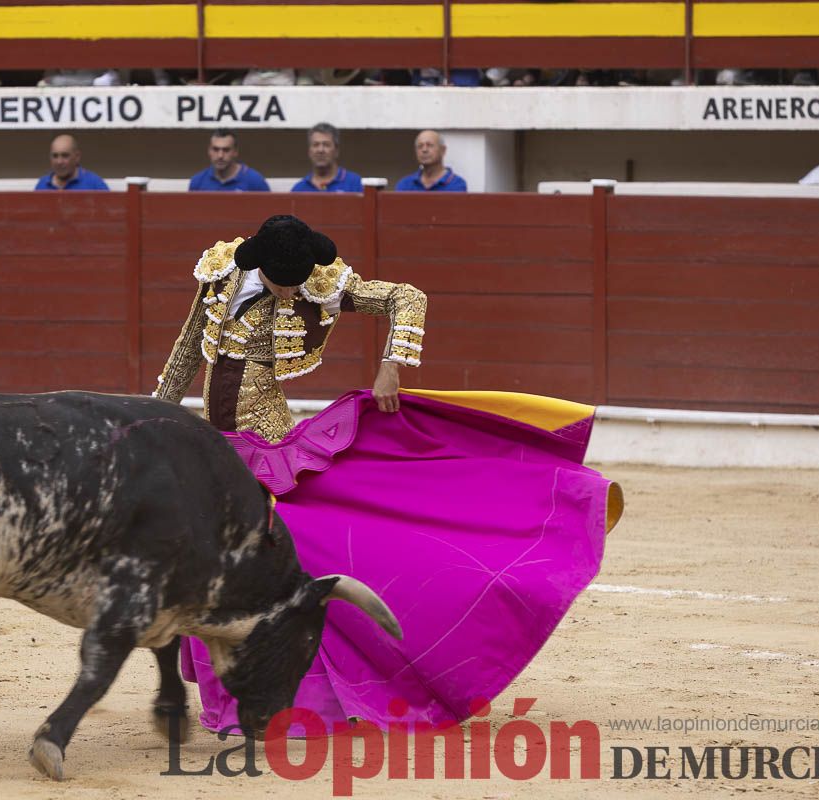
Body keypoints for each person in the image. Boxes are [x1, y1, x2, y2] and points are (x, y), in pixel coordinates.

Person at [154, 214, 621, 735]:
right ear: (258, 263)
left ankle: (287, 697)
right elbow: (185, 353)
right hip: (221, 445)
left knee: (265, 565)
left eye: (296, 282)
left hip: (266, 441)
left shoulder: (316, 281)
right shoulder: (221, 272)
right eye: (280, 281)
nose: (290, 291)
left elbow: (407, 296)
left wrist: (391, 364)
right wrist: (154, 416)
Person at [188, 129, 270, 192]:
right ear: (209, 151)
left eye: (226, 150)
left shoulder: (254, 181)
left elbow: (269, 212)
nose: (220, 156)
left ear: (235, 152)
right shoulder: (198, 182)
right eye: (215, 149)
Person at [290, 122, 363, 193]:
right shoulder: (299, 189)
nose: (320, 150)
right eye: (315, 145)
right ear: (309, 151)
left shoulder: (354, 183)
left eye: (326, 145)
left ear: (336, 151)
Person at [395, 130, 468, 192]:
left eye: (430, 145)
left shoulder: (456, 184)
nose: (424, 150)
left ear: (443, 150)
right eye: (420, 146)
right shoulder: (405, 185)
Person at [34, 134, 109, 191]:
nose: (59, 162)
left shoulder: (94, 184)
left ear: (77, 157)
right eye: (55, 156)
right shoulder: (42, 184)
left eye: (65, 156)